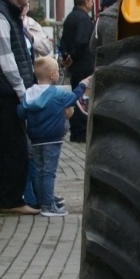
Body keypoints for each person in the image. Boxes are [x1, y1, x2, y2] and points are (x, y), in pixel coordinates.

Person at [0, 0, 40, 215]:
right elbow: (6, 58)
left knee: (12, 144)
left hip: (12, 90)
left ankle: (10, 198)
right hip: (8, 92)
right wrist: (21, 90)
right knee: (13, 147)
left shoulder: (8, 13)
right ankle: (10, 200)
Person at [20, 56, 82, 218]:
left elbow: (20, 112)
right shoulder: (56, 94)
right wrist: (83, 85)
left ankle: (43, 202)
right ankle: (48, 206)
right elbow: (73, 98)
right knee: (49, 173)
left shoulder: (29, 93)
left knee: (40, 171)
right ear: (52, 75)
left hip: (35, 139)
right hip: (52, 139)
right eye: (58, 72)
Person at [58, 0, 96, 143]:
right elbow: (81, 41)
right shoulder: (84, 19)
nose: (92, 3)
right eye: (90, 1)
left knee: (76, 96)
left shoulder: (70, 17)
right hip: (84, 65)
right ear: (85, 2)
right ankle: (81, 131)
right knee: (83, 98)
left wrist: (66, 56)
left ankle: (75, 130)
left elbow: (63, 41)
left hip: (74, 66)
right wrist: (72, 57)